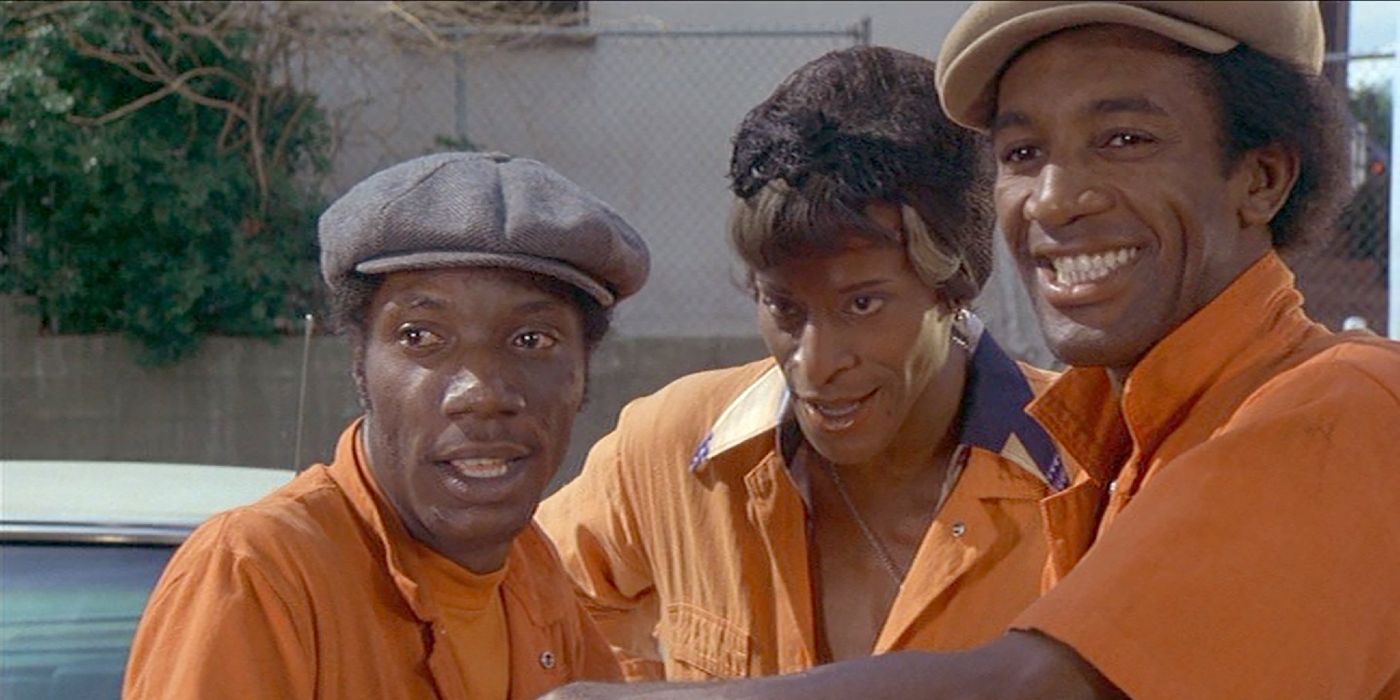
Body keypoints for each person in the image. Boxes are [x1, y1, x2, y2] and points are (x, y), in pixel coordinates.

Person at [544, 2, 1400, 699]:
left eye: (1125, 138)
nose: (1056, 199)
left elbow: (1033, 689)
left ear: (1263, 176)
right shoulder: (1115, 454)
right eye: (1024, 152)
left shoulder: (1349, 410)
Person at [536, 45, 1067, 682]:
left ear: (952, 285)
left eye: (863, 304)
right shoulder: (671, 450)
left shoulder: (1092, 475)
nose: (815, 365)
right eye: (783, 307)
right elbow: (523, 604)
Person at [124, 151, 649, 699]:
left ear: (584, 373)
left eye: (531, 341)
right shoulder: (257, 573)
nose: (481, 394)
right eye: (421, 336)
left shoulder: (533, 570)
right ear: (360, 363)